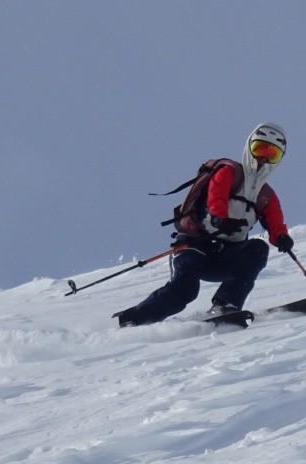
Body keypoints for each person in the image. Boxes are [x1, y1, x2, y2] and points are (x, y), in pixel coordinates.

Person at [115, 123, 295, 327]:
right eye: (259, 149)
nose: (263, 157)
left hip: (225, 257)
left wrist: (282, 237)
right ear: (248, 148)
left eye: (272, 154)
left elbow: (276, 223)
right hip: (195, 246)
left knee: (258, 248)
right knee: (184, 290)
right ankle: (132, 320)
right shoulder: (229, 170)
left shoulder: (267, 195)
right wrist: (220, 219)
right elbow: (215, 196)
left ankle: (225, 305)